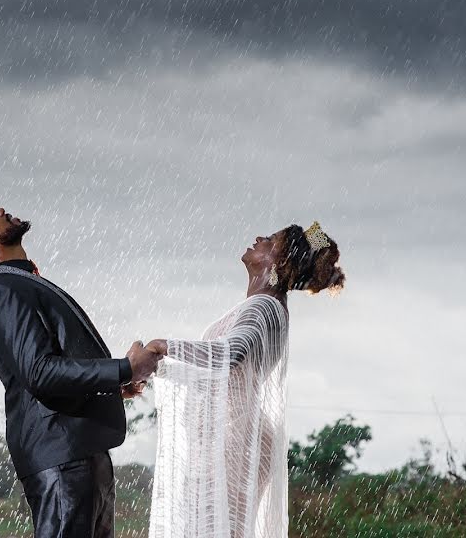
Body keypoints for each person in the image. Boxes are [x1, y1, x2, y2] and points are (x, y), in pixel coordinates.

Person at [0, 200, 163, 538]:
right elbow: (39, 373)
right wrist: (124, 368)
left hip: (76, 454)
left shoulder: (17, 284)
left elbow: (48, 367)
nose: (1, 210)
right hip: (63, 460)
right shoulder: (4, 291)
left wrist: (113, 383)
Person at [146, 222, 345, 538]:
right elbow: (217, 374)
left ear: (279, 261)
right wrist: (157, 368)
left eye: (269, 240)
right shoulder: (265, 307)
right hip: (233, 434)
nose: (258, 239)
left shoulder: (264, 306)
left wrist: (163, 346)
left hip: (234, 436)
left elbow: (230, 353)